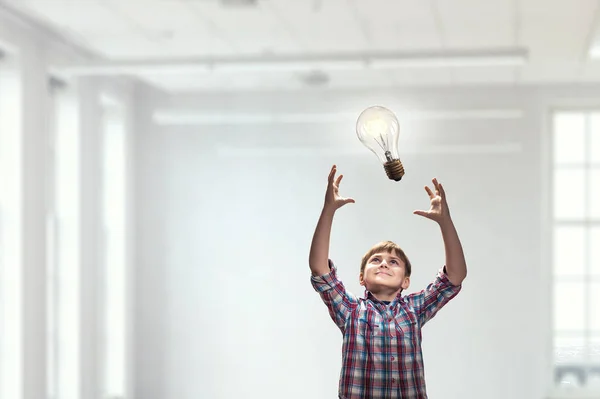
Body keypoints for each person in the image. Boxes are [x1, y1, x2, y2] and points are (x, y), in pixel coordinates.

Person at [309, 165, 467, 399]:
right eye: (376, 260)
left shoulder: (414, 309)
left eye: (393, 262)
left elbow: (455, 276)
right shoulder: (352, 310)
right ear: (361, 278)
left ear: (406, 281)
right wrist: (328, 210)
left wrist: (445, 222)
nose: (384, 264)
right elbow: (320, 269)